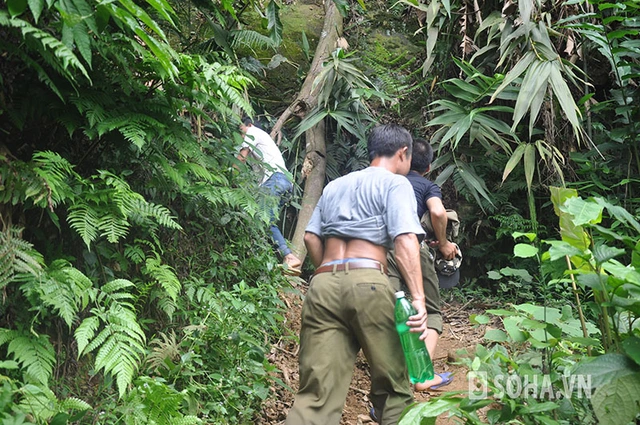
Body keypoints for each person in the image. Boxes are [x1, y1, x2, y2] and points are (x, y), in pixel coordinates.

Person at [285, 124, 428, 425]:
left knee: (315, 396)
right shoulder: (395, 184)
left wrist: (329, 274)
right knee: (393, 390)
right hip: (369, 282)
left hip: (322, 284)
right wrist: (418, 299)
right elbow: (404, 240)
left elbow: (311, 238)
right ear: (403, 153)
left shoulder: (335, 185)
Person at [386, 137, 458, 391]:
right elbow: (437, 213)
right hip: (413, 248)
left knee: (388, 307)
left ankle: (392, 378)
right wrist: (445, 242)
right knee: (431, 310)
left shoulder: (388, 180)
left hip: (382, 250)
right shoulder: (427, 185)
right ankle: (423, 376)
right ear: (428, 167)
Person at [237, 116, 302, 274]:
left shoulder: (253, 131)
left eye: (241, 131)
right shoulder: (261, 148)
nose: (241, 136)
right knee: (266, 221)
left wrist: (229, 176)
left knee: (262, 218)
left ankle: (289, 256)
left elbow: (241, 158)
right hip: (285, 182)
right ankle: (279, 259)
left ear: (249, 125)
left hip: (276, 179)